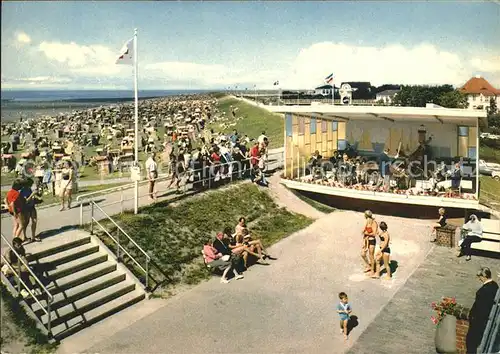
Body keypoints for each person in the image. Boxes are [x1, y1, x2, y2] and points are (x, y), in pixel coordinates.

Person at [466, 267, 499, 354]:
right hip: (484, 320)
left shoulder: (485, 289)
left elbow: (481, 307)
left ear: (484, 276)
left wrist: (473, 318)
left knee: (471, 343)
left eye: (479, 276)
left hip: (478, 321)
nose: (479, 278)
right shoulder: (495, 286)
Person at [20, 178, 41, 243]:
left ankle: (33, 236)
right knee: (26, 222)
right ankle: (24, 236)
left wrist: (37, 195)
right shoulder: (23, 191)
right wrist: (32, 195)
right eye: (31, 183)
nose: (32, 184)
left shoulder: (30, 189)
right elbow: (25, 200)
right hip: (26, 208)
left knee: (34, 221)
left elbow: (37, 195)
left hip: (32, 207)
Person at [361, 210, 378, 275]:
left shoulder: (374, 222)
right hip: (366, 240)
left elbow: (374, 234)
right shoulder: (367, 222)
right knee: (363, 254)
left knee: (371, 256)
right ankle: (368, 266)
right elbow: (363, 230)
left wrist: (366, 233)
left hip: (371, 240)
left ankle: (372, 270)